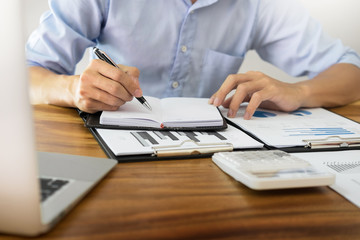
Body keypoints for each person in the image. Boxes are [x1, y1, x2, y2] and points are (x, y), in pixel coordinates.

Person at [26, 0, 360, 119]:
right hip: (106, 148)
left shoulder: (259, 4)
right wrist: (73, 89)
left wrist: (297, 92)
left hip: (208, 159)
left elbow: (351, 72)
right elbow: (23, 76)